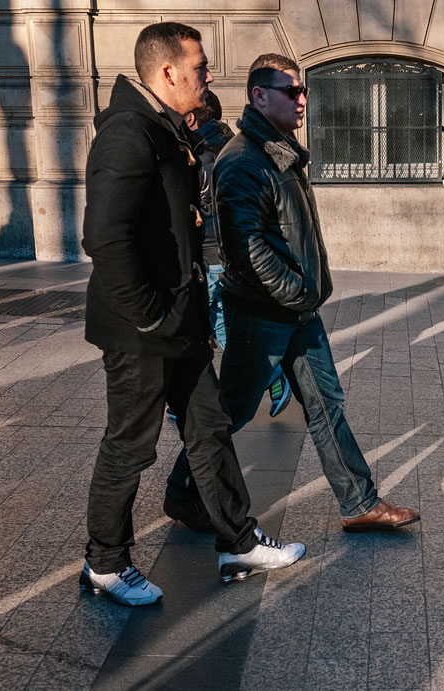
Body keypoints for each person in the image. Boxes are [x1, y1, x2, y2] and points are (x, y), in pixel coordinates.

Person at [79, 23, 304, 607]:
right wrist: (150, 316)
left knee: (208, 430)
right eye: (200, 67)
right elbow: (103, 237)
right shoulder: (129, 133)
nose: (207, 77)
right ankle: (104, 562)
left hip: (178, 322)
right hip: (143, 329)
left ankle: (237, 541)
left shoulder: (164, 127)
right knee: (130, 444)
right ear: (168, 72)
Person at [213, 53, 420, 532]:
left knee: (327, 405)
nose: (303, 100)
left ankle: (359, 503)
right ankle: (186, 495)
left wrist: (302, 298)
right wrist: (295, 292)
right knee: (233, 411)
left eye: (304, 91)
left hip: (296, 313)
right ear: (259, 95)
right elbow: (247, 248)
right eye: (293, 92)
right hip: (262, 314)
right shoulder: (244, 159)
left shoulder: (279, 150)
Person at [162, 93, 291, 534]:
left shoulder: (207, 155)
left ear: (195, 117)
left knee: (225, 355)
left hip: (215, 261)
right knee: (222, 353)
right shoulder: (229, 147)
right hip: (218, 265)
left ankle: (274, 378)